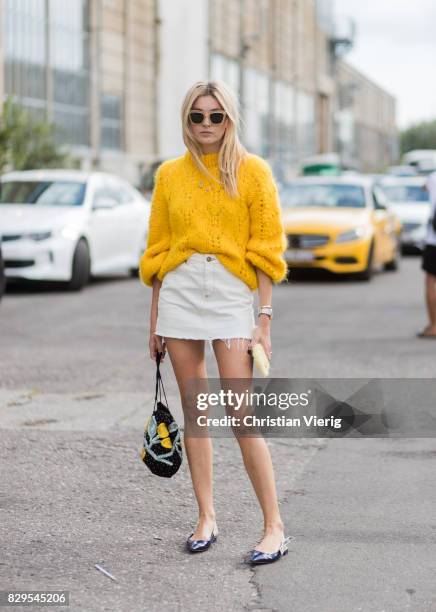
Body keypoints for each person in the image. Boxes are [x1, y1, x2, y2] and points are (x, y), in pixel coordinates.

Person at [139, 80, 290, 565]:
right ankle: (206, 517)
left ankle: (274, 528)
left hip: (228, 296)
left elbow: (266, 251)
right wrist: (155, 320)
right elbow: (158, 251)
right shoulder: (169, 175)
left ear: (230, 119)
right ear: (186, 121)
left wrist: (262, 319)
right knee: (195, 413)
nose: (206, 125)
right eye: (196, 117)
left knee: (242, 415)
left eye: (216, 116)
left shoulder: (253, 172)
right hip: (180, 295)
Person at [418, 169, 436, 338]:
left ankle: (433, 326)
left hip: (434, 242)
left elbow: (423, 187)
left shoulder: (433, 177)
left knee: (431, 280)